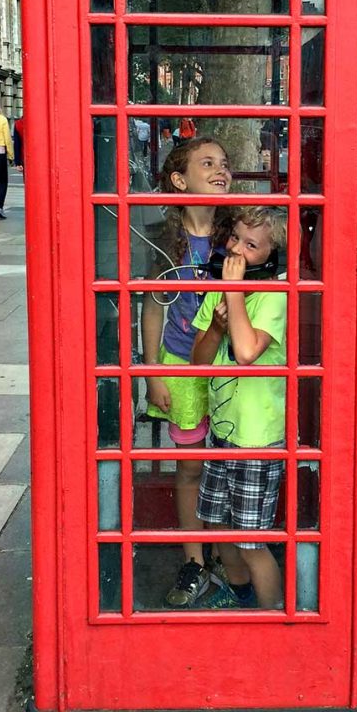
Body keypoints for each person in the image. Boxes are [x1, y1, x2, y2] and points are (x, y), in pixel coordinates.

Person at [140, 138, 233, 608]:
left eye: (224, 164)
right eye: (208, 163)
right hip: (180, 367)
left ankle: (230, 556)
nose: (221, 170)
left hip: (232, 368)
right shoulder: (161, 238)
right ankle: (195, 560)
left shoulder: (236, 234)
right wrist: (152, 373)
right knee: (190, 470)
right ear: (180, 180)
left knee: (232, 462)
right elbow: (151, 309)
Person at [191, 206, 288, 610]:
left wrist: (233, 290)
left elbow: (247, 352)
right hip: (222, 432)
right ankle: (241, 596)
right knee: (217, 525)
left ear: (271, 256)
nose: (236, 252)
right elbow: (198, 363)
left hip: (257, 440)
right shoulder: (219, 289)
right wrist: (215, 325)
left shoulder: (273, 297)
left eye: (251, 246)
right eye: (235, 239)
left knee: (251, 542)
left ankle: (275, 621)